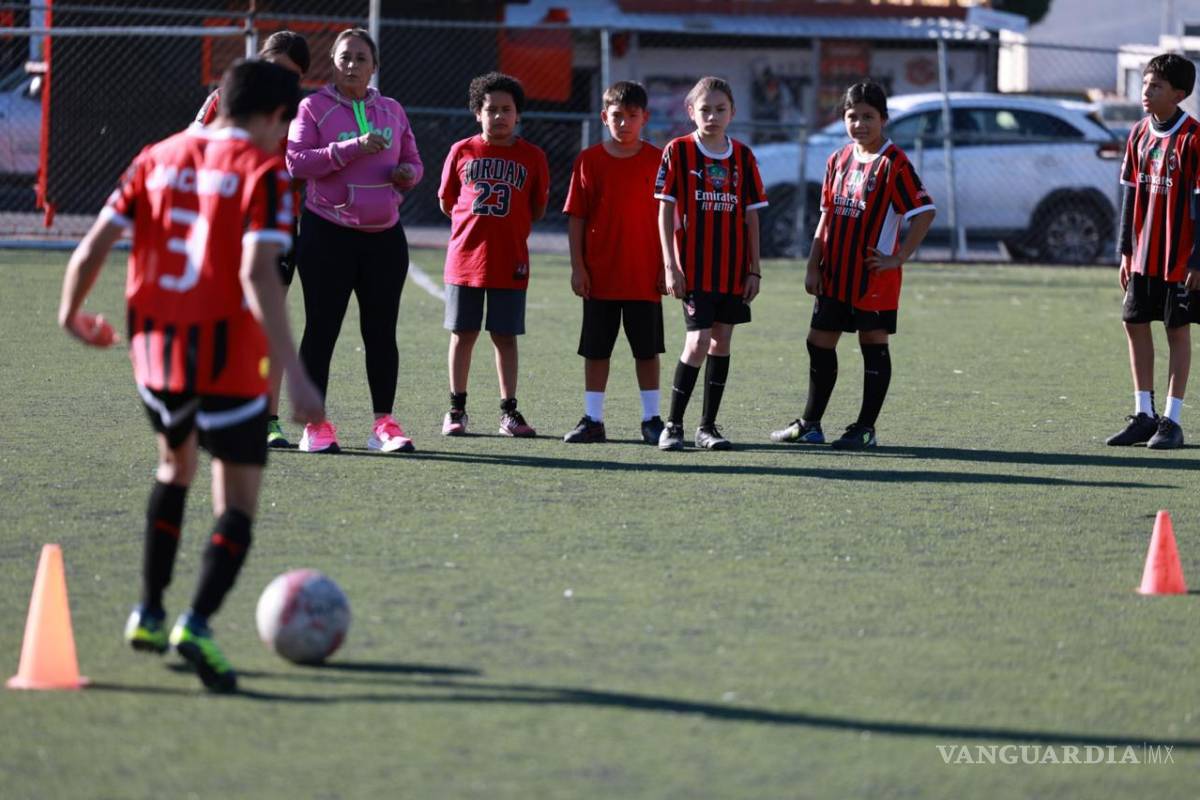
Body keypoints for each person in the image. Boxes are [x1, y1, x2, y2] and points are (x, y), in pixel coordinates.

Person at [56, 60, 324, 693]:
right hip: (229, 360)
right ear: (271, 117)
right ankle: (197, 621)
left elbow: (96, 240)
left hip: (157, 354)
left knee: (174, 468)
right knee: (237, 502)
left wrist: (70, 312)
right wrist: (296, 374)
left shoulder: (157, 156)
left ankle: (148, 610)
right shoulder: (265, 175)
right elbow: (258, 277)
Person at [770, 80, 935, 450]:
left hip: (873, 276)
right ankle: (811, 424)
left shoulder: (895, 163)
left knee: (872, 344)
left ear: (884, 119)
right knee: (818, 342)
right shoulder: (838, 160)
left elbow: (925, 212)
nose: (859, 124)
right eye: (852, 116)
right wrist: (813, 264)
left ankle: (865, 428)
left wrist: (898, 257)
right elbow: (826, 217)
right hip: (834, 273)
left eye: (868, 117)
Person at [287, 28, 422, 454]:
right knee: (321, 330)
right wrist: (352, 149)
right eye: (345, 57)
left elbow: (413, 162)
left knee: (381, 332)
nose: (352, 65)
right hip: (327, 234)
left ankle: (384, 423)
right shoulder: (313, 107)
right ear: (333, 61)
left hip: (384, 238)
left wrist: (407, 175)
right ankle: (315, 426)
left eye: (361, 58)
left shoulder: (393, 110)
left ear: (374, 66)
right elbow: (296, 162)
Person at [196, 31, 310, 450]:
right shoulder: (227, 98)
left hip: (277, 223)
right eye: (275, 68)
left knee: (267, 319)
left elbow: (303, 161)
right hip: (225, 221)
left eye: (292, 75)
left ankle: (268, 418)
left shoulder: (301, 110)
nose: (281, 80)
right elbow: (196, 145)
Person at [653, 76, 768, 451]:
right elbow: (665, 211)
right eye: (705, 109)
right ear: (691, 112)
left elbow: (751, 216)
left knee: (721, 341)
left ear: (732, 112)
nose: (713, 116)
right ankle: (673, 425)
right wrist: (671, 265)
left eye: (720, 109)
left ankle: (708, 427)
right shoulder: (678, 151)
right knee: (698, 340)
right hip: (694, 268)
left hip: (733, 269)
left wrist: (754, 268)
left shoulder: (744, 157)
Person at [438, 72, 549, 437]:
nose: (499, 116)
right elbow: (446, 201)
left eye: (507, 110)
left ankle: (509, 412)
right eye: (491, 110)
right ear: (477, 113)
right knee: (463, 332)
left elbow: (536, 209)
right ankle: (456, 409)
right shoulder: (461, 150)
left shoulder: (533, 157)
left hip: (509, 258)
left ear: (518, 115)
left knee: (505, 335)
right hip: (465, 258)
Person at [562, 80, 665, 445]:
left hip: (644, 276)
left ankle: (652, 419)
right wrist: (578, 266)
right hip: (600, 276)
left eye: (632, 116)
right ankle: (593, 419)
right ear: (605, 117)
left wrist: (667, 266)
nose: (624, 123)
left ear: (644, 118)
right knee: (596, 350)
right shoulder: (589, 160)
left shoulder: (658, 160)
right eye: (617, 116)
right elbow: (576, 217)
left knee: (647, 350)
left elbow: (671, 218)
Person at [1105, 53, 1200, 450]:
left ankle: (1171, 420)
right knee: (1133, 323)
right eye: (1145, 84)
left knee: (1176, 331)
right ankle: (1143, 414)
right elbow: (1129, 192)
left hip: (1180, 258)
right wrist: (1125, 249)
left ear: (1179, 94)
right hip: (1143, 255)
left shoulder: (1194, 138)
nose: (1146, 91)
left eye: (1156, 86)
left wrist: (1198, 260)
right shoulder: (1139, 133)